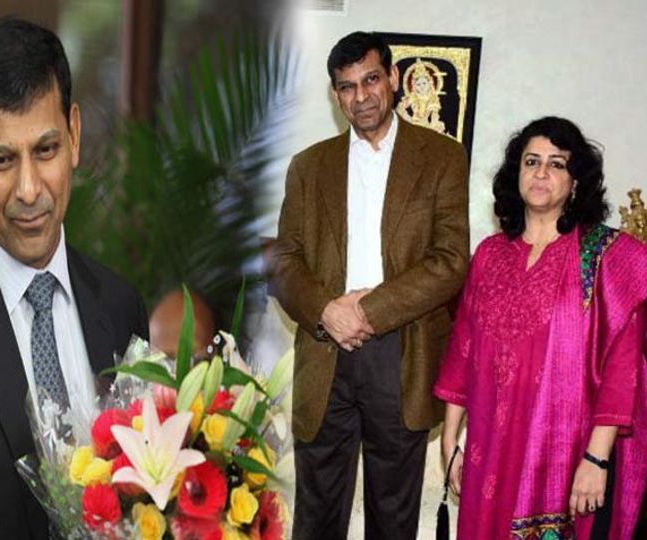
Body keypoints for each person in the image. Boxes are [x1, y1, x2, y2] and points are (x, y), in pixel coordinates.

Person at [0, 18, 148, 539]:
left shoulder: (121, 307)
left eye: (46, 150)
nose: (29, 189)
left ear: (74, 136)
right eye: (2, 160)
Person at [273, 31, 469, 539]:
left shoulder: (441, 157)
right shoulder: (308, 166)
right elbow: (285, 262)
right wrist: (328, 311)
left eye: (371, 80)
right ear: (335, 94)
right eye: (347, 86)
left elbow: (450, 261)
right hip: (326, 353)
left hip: (402, 353)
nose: (361, 96)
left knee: (393, 517)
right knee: (316, 516)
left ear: (394, 78)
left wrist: (368, 311)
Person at [434, 116, 647, 539]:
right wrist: (449, 439)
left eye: (556, 163)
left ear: (576, 181)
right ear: (516, 174)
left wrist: (597, 459)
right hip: (488, 450)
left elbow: (623, 367)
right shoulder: (489, 255)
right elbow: (463, 347)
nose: (541, 172)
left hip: (567, 453)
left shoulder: (604, 256)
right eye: (531, 161)